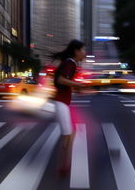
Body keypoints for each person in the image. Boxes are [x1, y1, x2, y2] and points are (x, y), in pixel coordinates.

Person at [51, 39, 86, 175]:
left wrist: (78, 89)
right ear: (76, 51)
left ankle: (64, 164)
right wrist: (78, 86)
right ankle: (63, 166)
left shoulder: (71, 63)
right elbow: (61, 80)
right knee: (68, 135)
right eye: (83, 50)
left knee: (70, 134)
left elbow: (64, 83)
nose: (84, 53)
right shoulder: (70, 62)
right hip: (61, 103)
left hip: (62, 103)